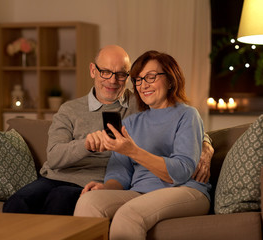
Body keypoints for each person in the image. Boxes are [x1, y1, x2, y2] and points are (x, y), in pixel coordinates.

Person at [3, 45, 213, 215]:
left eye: (121, 75)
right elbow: (55, 157)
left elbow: (181, 123)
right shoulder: (70, 109)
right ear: (93, 70)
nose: (112, 80)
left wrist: (206, 148)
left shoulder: (140, 102)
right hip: (55, 176)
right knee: (17, 203)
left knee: (60, 200)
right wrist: (85, 144)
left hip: (95, 180)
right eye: (105, 72)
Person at [74, 50, 212, 239]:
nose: (143, 85)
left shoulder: (187, 115)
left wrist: (134, 151)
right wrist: (106, 187)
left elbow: (181, 172)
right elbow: (120, 173)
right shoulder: (131, 123)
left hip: (185, 190)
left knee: (129, 214)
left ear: (171, 79)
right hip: (140, 193)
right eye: (138, 80)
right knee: (87, 202)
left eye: (151, 77)